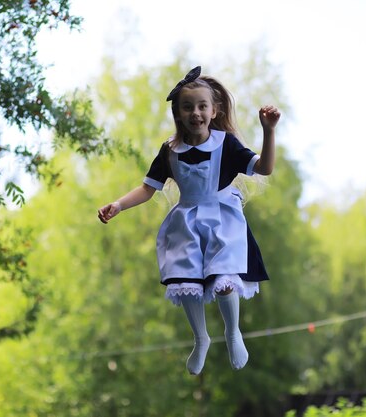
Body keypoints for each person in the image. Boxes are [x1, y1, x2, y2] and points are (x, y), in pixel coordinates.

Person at [98, 66, 280, 375]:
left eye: (201, 106)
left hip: (222, 218)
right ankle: (201, 338)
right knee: (186, 281)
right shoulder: (170, 151)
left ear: (214, 111)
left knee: (224, 279)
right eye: (187, 107)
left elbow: (264, 168)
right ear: (178, 113)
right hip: (187, 219)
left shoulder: (226, 143)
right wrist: (118, 204)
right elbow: (147, 188)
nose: (195, 113)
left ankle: (232, 331)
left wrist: (268, 130)